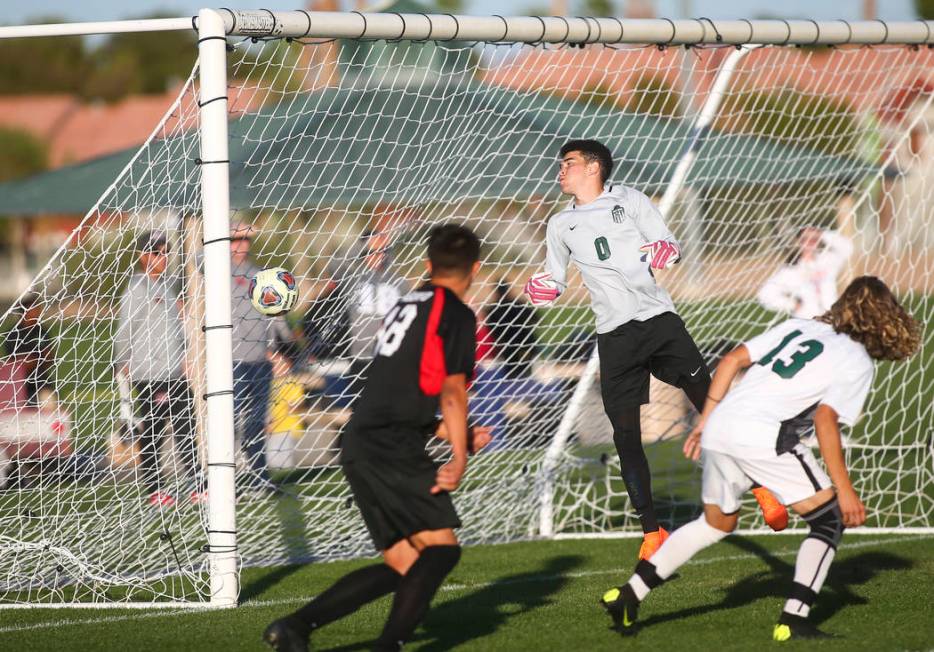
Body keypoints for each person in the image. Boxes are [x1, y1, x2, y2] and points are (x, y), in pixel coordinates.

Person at [600, 276, 921, 641]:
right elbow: (825, 421)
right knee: (829, 520)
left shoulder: (801, 326)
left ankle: (629, 594)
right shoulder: (856, 359)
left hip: (723, 424)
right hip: (763, 433)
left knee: (715, 524)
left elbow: (733, 359)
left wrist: (705, 419)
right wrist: (845, 490)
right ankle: (794, 618)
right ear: (883, 318)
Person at [525, 139, 785, 559]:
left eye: (568, 164)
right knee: (626, 437)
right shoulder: (559, 225)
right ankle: (651, 532)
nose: (560, 171)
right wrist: (543, 289)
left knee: (712, 407)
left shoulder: (630, 200)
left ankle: (760, 489)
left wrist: (665, 249)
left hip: (660, 325)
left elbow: (667, 243)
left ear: (593, 168)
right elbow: (554, 279)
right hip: (614, 338)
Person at [263, 224, 491, 652]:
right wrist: (458, 455)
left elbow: (400, 390)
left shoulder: (409, 303)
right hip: (392, 445)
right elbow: (453, 390)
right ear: (475, 268)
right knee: (442, 551)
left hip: (361, 441)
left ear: (427, 264)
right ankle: (388, 646)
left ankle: (295, 626)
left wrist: (450, 431)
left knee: (406, 563)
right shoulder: (455, 313)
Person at [113, 231, 201, 507]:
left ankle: (198, 484)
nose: (161, 258)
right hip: (149, 373)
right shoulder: (136, 289)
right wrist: (122, 363)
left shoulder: (168, 286)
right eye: (155, 252)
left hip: (173, 371)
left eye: (164, 252)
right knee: (154, 431)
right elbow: (125, 331)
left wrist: (184, 355)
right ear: (142, 256)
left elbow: (175, 329)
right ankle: (155, 489)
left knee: (187, 426)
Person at [302, 229, 408, 404]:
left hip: (393, 356)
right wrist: (365, 244)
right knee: (362, 407)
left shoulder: (399, 282)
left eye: (382, 251)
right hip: (361, 357)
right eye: (371, 252)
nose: (377, 256)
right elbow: (334, 263)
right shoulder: (353, 278)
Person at [229, 223, 294, 493]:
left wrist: (280, 347)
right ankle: (226, 481)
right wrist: (225, 230)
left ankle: (260, 477)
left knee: (257, 421)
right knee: (231, 420)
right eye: (236, 239)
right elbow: (199, 259)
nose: (241, 244)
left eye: (245, 239)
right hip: (231, 361)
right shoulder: (219, 270)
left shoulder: (259, 274)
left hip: (260, 359)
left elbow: (274, 313)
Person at [757, 226, 853, 319]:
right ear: (799, 241)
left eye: (814, 238)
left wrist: (822, 234)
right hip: (807, 320)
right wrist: (792, 304)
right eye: (805, 238)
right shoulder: (791, 270)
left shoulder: (827, 260)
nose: (810, 242)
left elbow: (847, 248)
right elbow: (765, 294)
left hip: (833, 317)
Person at [2, 292, 55, 407]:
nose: (38, 312)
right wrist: (32, 360)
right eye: (35, 309)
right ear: (25, 311)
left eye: (39, 309)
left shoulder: (42, 331)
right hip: (19, 387)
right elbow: (15, 363)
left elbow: (49, 358)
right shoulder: (13, 334)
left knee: (49, 406)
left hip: (42, 383)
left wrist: (40, 359)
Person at [485, 280, 539, 379]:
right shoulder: (519, 305)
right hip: (524, 342)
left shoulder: (494, 309)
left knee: (514, 371)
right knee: (524, 370)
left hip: (512, 344)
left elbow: (491, 328)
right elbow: (536, 319)